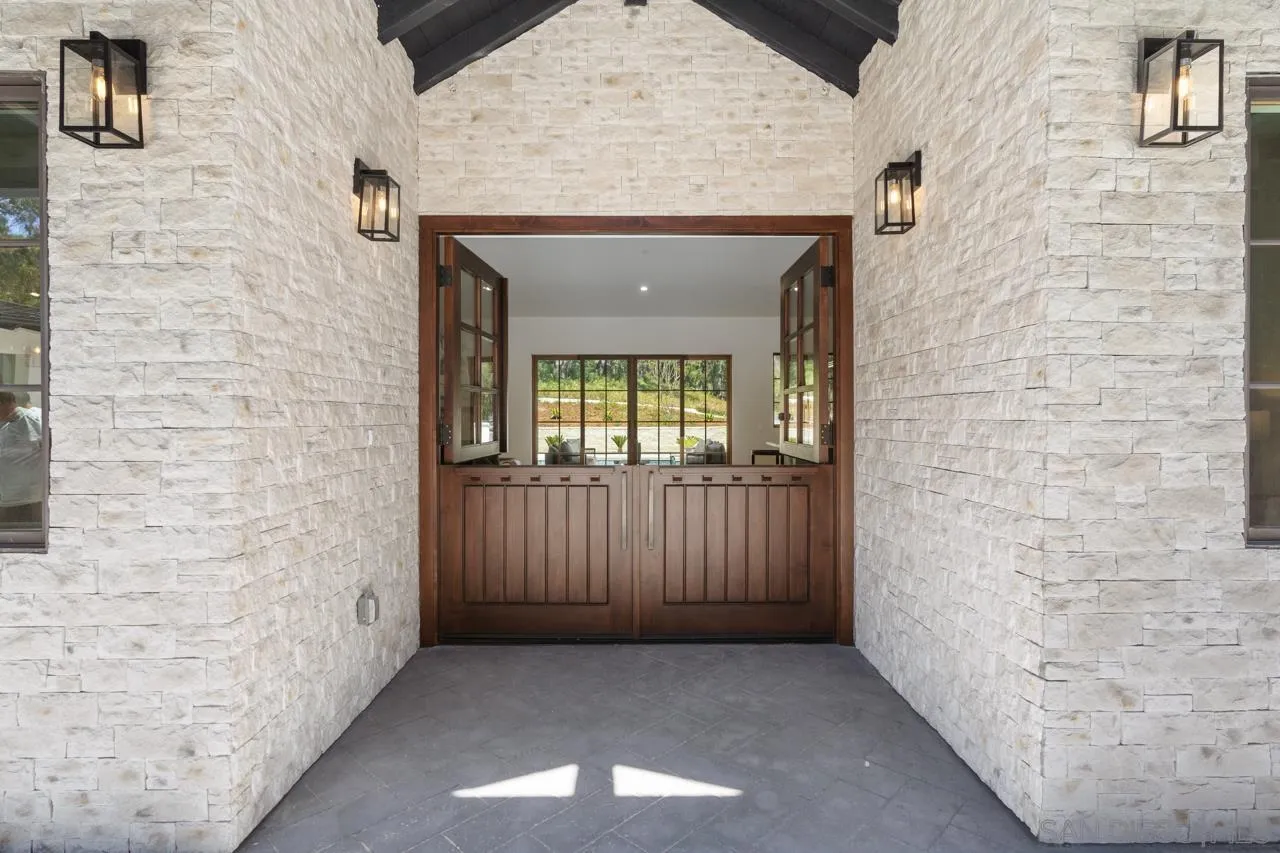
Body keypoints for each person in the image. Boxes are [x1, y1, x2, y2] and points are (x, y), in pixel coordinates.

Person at [0, 391, 43, 525]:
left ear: (8, 403)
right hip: (10, 497)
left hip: (24, 499)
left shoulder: (25, 418)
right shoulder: (7, 422)